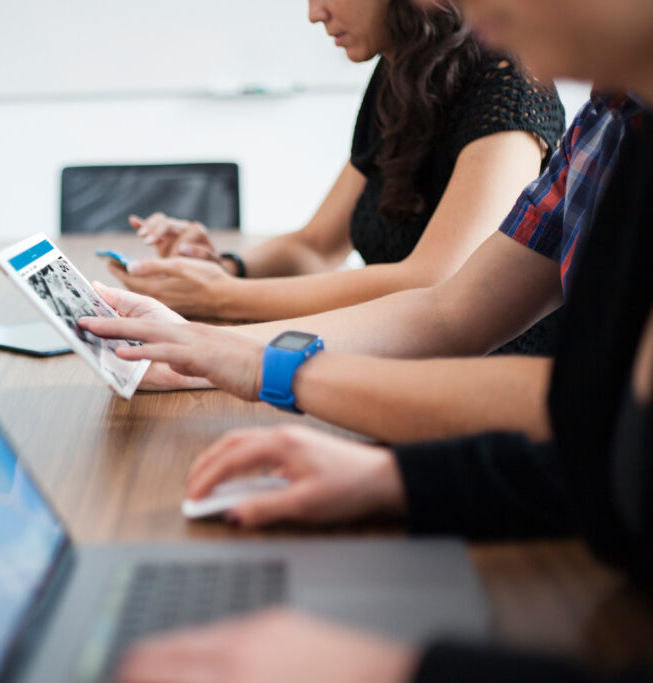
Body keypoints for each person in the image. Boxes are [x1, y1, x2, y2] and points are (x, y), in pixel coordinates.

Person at [114, 0, 653, 679]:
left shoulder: (516, 90)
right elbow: (455, 316)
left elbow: (577, 400)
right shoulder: (614, 120)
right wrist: (386, 472)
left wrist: (399, 668)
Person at [80, 90, 644, 443]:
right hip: (530, 456)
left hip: (495, 425)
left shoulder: (511, 95)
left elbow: (603, 402)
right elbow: (447, 312)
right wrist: (198, 349)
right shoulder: (601, 124)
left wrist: (231, 317)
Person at [110, 0, 564, 344]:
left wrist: (220, 295)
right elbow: (316, 246)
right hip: (397, 367)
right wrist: (221, 267)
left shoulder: (508, 83)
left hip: (482, 399)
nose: (314, 13)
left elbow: (434, 283)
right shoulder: (400, 71)